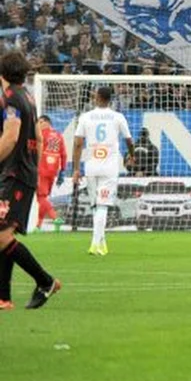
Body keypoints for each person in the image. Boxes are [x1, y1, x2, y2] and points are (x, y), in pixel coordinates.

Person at [0, 51, 61, 310]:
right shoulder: (27, 96)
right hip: (21, 172)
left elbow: (11, 136)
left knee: (2, 235)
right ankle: (4, 298)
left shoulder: (11, 98)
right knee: (4, 235)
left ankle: (45, 281)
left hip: (14, 174)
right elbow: (37, 132)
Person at [71, 87, 133, 256]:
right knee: (102, 206)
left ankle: (98, 243)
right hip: (109, 168)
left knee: (95, 206)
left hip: (91, 166)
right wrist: (131, 156)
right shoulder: (118, 117)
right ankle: (97, 242)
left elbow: (77, 144)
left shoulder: (85, 117)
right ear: (110, 99)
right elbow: (129, 140)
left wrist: (76, 169)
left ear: (97, 97)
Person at [35, 116, 65, 228]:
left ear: (48, 123)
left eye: (41, 122)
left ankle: (55, 218)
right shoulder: (59, 135)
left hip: (41, 170)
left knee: (40, 198)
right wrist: (62, 171)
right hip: (53, 170)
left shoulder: (41, 135)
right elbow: (64, 154)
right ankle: (38, 226)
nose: (39, 124)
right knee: (44, 198)